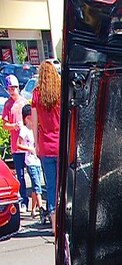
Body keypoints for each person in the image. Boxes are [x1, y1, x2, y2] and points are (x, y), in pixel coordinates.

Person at [31, 60, 61, 230]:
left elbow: (35, 123)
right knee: (64, 185)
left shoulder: (36, 95)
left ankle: (55, 226)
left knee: (51, 186)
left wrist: (36, 143)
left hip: (45, 145)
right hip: (60, 145)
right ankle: (66, 224)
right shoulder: (60, 93)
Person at [2, 75, 29, 212]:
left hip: (28, 144)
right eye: (10, 88)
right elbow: (5, 125)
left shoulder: (24, 102)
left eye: (14, 88)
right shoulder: (7, 105)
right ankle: (24, 200)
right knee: (20, 175)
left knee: (33, 172)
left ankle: (38, 203)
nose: (12, 91)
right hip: (15, 145)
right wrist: (14, 126)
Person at [16, 104, 43, 219]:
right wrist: (29, 149)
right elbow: (18, 144)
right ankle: (42, 208)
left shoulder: (35, 129)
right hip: (30, 161)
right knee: (37, 186)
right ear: (27, 118)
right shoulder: (24, 130)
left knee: (35, 186)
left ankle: (33, 210)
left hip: (38, 161)